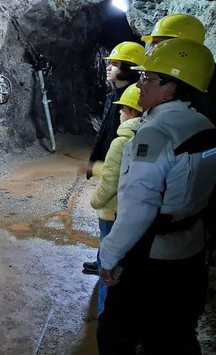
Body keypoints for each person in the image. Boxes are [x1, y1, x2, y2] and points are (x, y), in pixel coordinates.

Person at [97, 38, 216, 354]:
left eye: (148, 78)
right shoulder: (203, 125)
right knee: (177, 334)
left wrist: (109, 255)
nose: (140, 84)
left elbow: (139, 207)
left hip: (152, 259)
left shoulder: (156, 133)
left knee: (118, 334)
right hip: (191, 249)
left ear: (170, 89)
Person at [141, 13, 216, 272]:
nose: (152, 49)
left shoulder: (198, 101)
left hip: (181, 218)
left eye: (159, 42)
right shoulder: (210, 89)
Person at [82, 41, 145, 274]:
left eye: (115, 64)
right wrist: (95, 161)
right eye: (109, 63)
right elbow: (106, 133)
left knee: (112, 220)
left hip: (122, 168)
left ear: (129, 67)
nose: (108, 68)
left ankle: (108, 265)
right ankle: (102, 261)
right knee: (107, 222)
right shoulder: (115, 96)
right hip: (112, 160)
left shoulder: (135, 98)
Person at [88, 85, 143, 317]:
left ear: (130, 111)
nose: (119, 114)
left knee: (107, 265)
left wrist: (94, 201)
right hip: (133, 214)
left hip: (111, 214)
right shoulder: (147, 137)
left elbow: (110, 182)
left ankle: (105, 315)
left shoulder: (121, 142)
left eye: (122, 110)